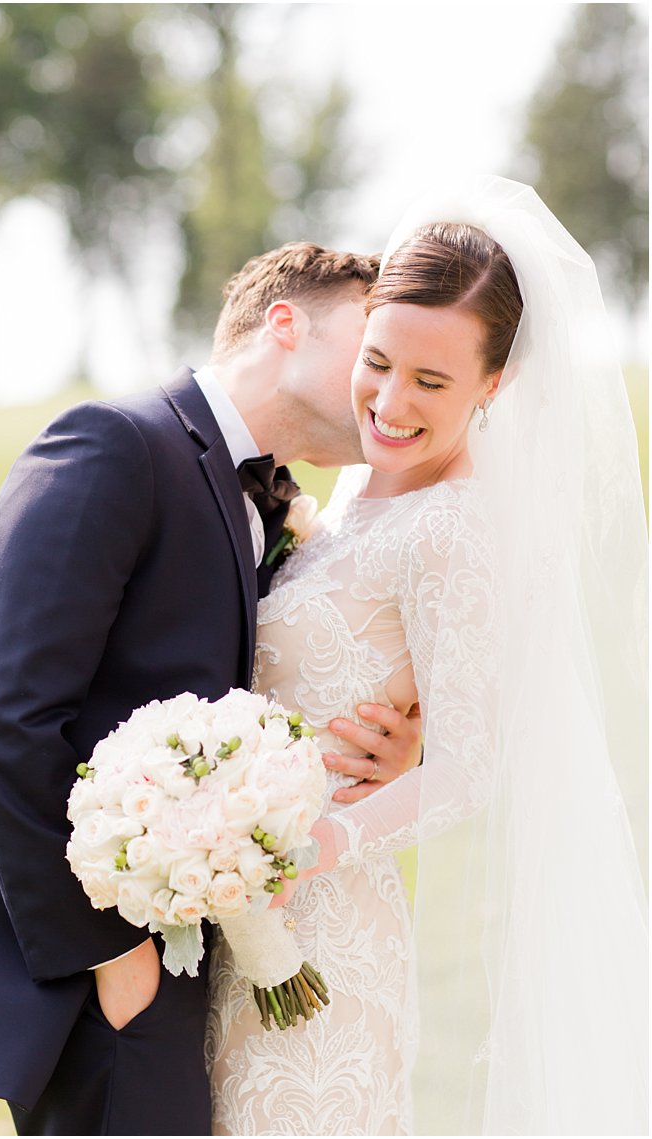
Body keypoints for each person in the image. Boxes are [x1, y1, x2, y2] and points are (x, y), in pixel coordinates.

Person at [0, 243, 427, 1134]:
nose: (386, 390)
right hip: (107, 961)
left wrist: (390, 739)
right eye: (371, 353)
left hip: (210, 945)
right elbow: (1, 716)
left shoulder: (273, 498)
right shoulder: (114, 443)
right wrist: (113, 953)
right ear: (285, 325)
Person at [208, 178, 648, 1135]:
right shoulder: (359, 485)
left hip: (322, 937)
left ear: (497, 384)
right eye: (377, 362)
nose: (389, 403)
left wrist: (307, 847)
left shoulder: (458, 529)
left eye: (432, 382)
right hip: (237, 913)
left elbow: (465, 771)